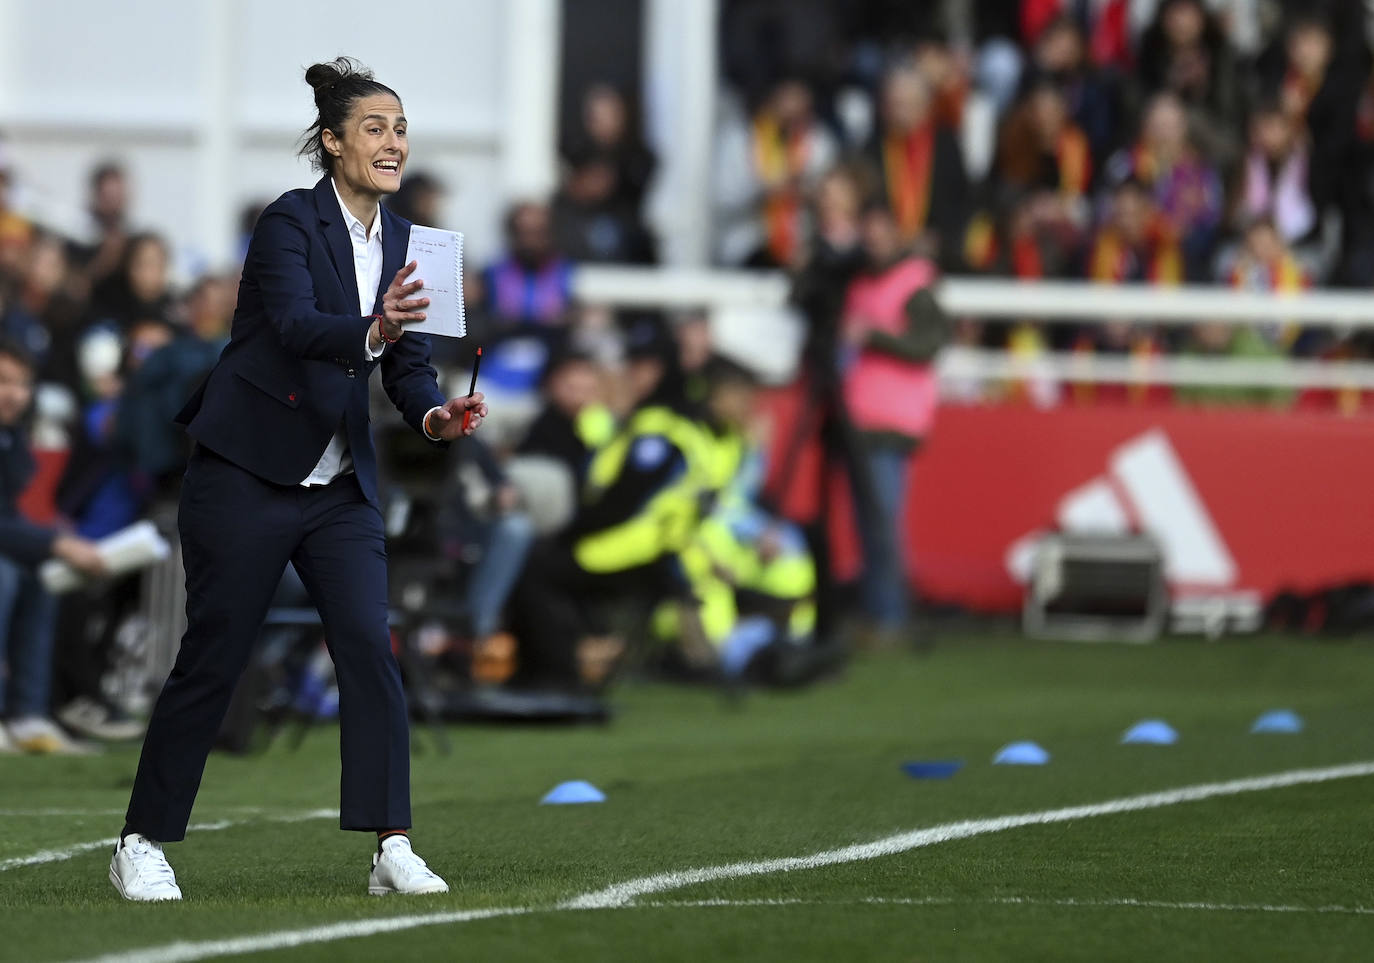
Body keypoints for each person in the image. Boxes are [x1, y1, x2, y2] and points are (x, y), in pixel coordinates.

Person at [110, 57, 487, 902]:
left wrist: (433, 417)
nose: (394, 141)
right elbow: (295, 325)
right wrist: (377, 326)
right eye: (375, 127)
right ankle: (141, 839)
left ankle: (392, 841)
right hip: (245, 473)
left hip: (340, 484)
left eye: (400, 127)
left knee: (369, 645)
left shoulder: (413, 238)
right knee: (214, 655)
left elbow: (411, 363)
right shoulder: (287, 222)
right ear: (333, 141)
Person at [0, 338, 107, 754]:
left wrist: (52, 542)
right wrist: (56, 543)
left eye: (23, 384)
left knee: (44, 578)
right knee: (5, 577)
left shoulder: (11, 436)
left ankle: (28, 717)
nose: (15, 394)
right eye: (5, 381)